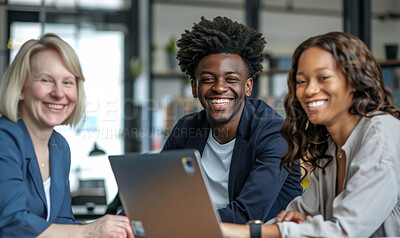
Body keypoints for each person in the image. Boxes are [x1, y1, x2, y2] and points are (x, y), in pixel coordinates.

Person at [221, 31, 400, 238]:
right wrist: (288, 223)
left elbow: (345, 231)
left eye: (323, 78)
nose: (309, 90)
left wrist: (243, 232)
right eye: (301, 81)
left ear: (353, 81)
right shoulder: (333, 145)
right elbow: (303, 211)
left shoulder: (380, 135)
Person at [162, 16, 303, 224]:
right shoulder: (187, 128)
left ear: (248, 86)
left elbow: (247, 216)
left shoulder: (275, 133)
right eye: (208, 79)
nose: (219, 87)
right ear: (194, 87)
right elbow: (155, 193)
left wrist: (172, 222)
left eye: (231, 79)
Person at [0, 33, 133, 238]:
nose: (59, 93)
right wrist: (89, 230)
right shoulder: (5, 139)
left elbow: (62, 222)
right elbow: (12, 224)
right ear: (20, 89)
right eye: (46, 80)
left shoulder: (59, 146)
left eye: (68, 82)